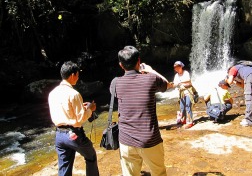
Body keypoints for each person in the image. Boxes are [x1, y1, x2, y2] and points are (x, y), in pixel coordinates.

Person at [110, 45, 173, 176]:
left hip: (126, 140)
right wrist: (151, 70)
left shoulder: (115, 83)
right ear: (139, 61)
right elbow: (167, 85)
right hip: (150, 139)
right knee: (159, 173)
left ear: (121, 65)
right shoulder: (151, 78)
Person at [48, 61, 99, 176]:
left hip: (59, 135)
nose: (78, 77)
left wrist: (83, 108)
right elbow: (80, 118)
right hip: (73, 135)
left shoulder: (52, 93)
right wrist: (90, 108)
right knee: (91, 156)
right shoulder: (74, 94)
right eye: (77, 74)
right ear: (72, 75)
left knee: (64, 165)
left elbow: (65, 111)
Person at [225, 62, 252, 126]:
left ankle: (249, 121)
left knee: (249, 98)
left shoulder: (232, 69)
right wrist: (235, 82)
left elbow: (229, 81)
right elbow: (243, 86)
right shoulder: (242, 68)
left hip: (250, 76)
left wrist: (227, 80)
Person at [172, 61, 195, 129]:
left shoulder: (186, 73)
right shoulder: (176, 76)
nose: (176, 69)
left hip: (188, 92)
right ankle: (183, 119)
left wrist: (180, 83)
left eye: (177, 67)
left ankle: (190, 122)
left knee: (188, 106)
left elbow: (189, 83)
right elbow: (175, 84)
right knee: (182, 107)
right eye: (175, 68)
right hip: (181, 93)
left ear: (181, 66)